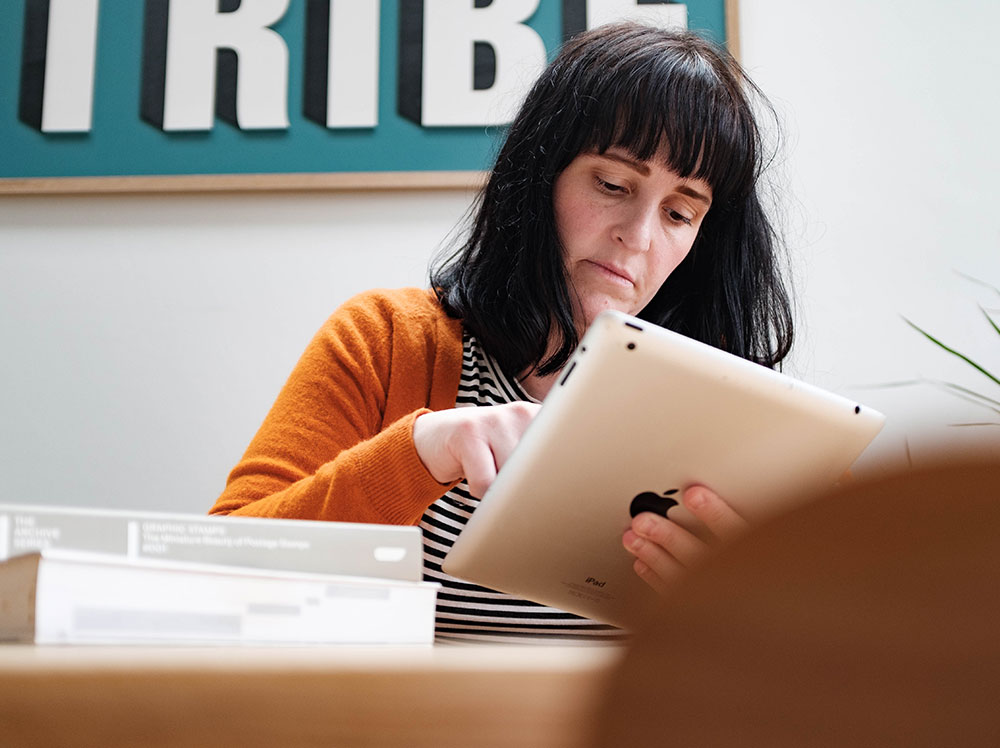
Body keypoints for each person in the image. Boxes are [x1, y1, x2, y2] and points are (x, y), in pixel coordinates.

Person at [210, 22, 794, 642]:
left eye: (680, 213)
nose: (640, 236)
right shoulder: (385, 342)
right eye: (613, 185)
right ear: (541, 176)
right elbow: (222, 565)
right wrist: (419, 453)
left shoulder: (743, 418)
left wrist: (745, 606)